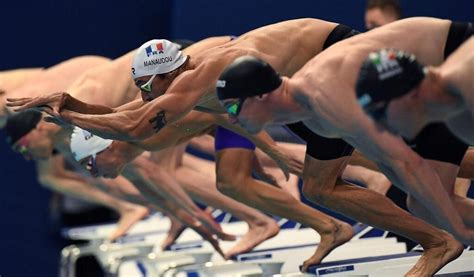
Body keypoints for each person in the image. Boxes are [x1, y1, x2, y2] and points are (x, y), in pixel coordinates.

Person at [7, 18, 463, 273]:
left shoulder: (199, 78)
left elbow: (141, 129)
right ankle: (431, 232)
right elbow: (143, 125)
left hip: (317, 74)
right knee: (345, 173)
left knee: (392, 161)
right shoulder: (191, 86)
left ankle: (440, 237)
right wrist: (65, 105)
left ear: (169, 74)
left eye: (150, 87)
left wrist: (65, 107)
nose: (146, 95)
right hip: (286, 92)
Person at [214, 17, 473, 250]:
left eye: (233, 106)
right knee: (421, 205)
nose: (231, 117)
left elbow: (406, 162)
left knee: (435, 191)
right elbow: (389, 166)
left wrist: (457, 230)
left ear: (261, 95)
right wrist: (454, 227)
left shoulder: (324, 96)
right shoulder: (314, 119)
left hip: (456, 54)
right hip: (420, 89)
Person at [356, 36, 474, 144]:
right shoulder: (458, 120)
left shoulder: (467, 78)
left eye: (378, 113)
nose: (379, 128)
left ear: (408, 93)